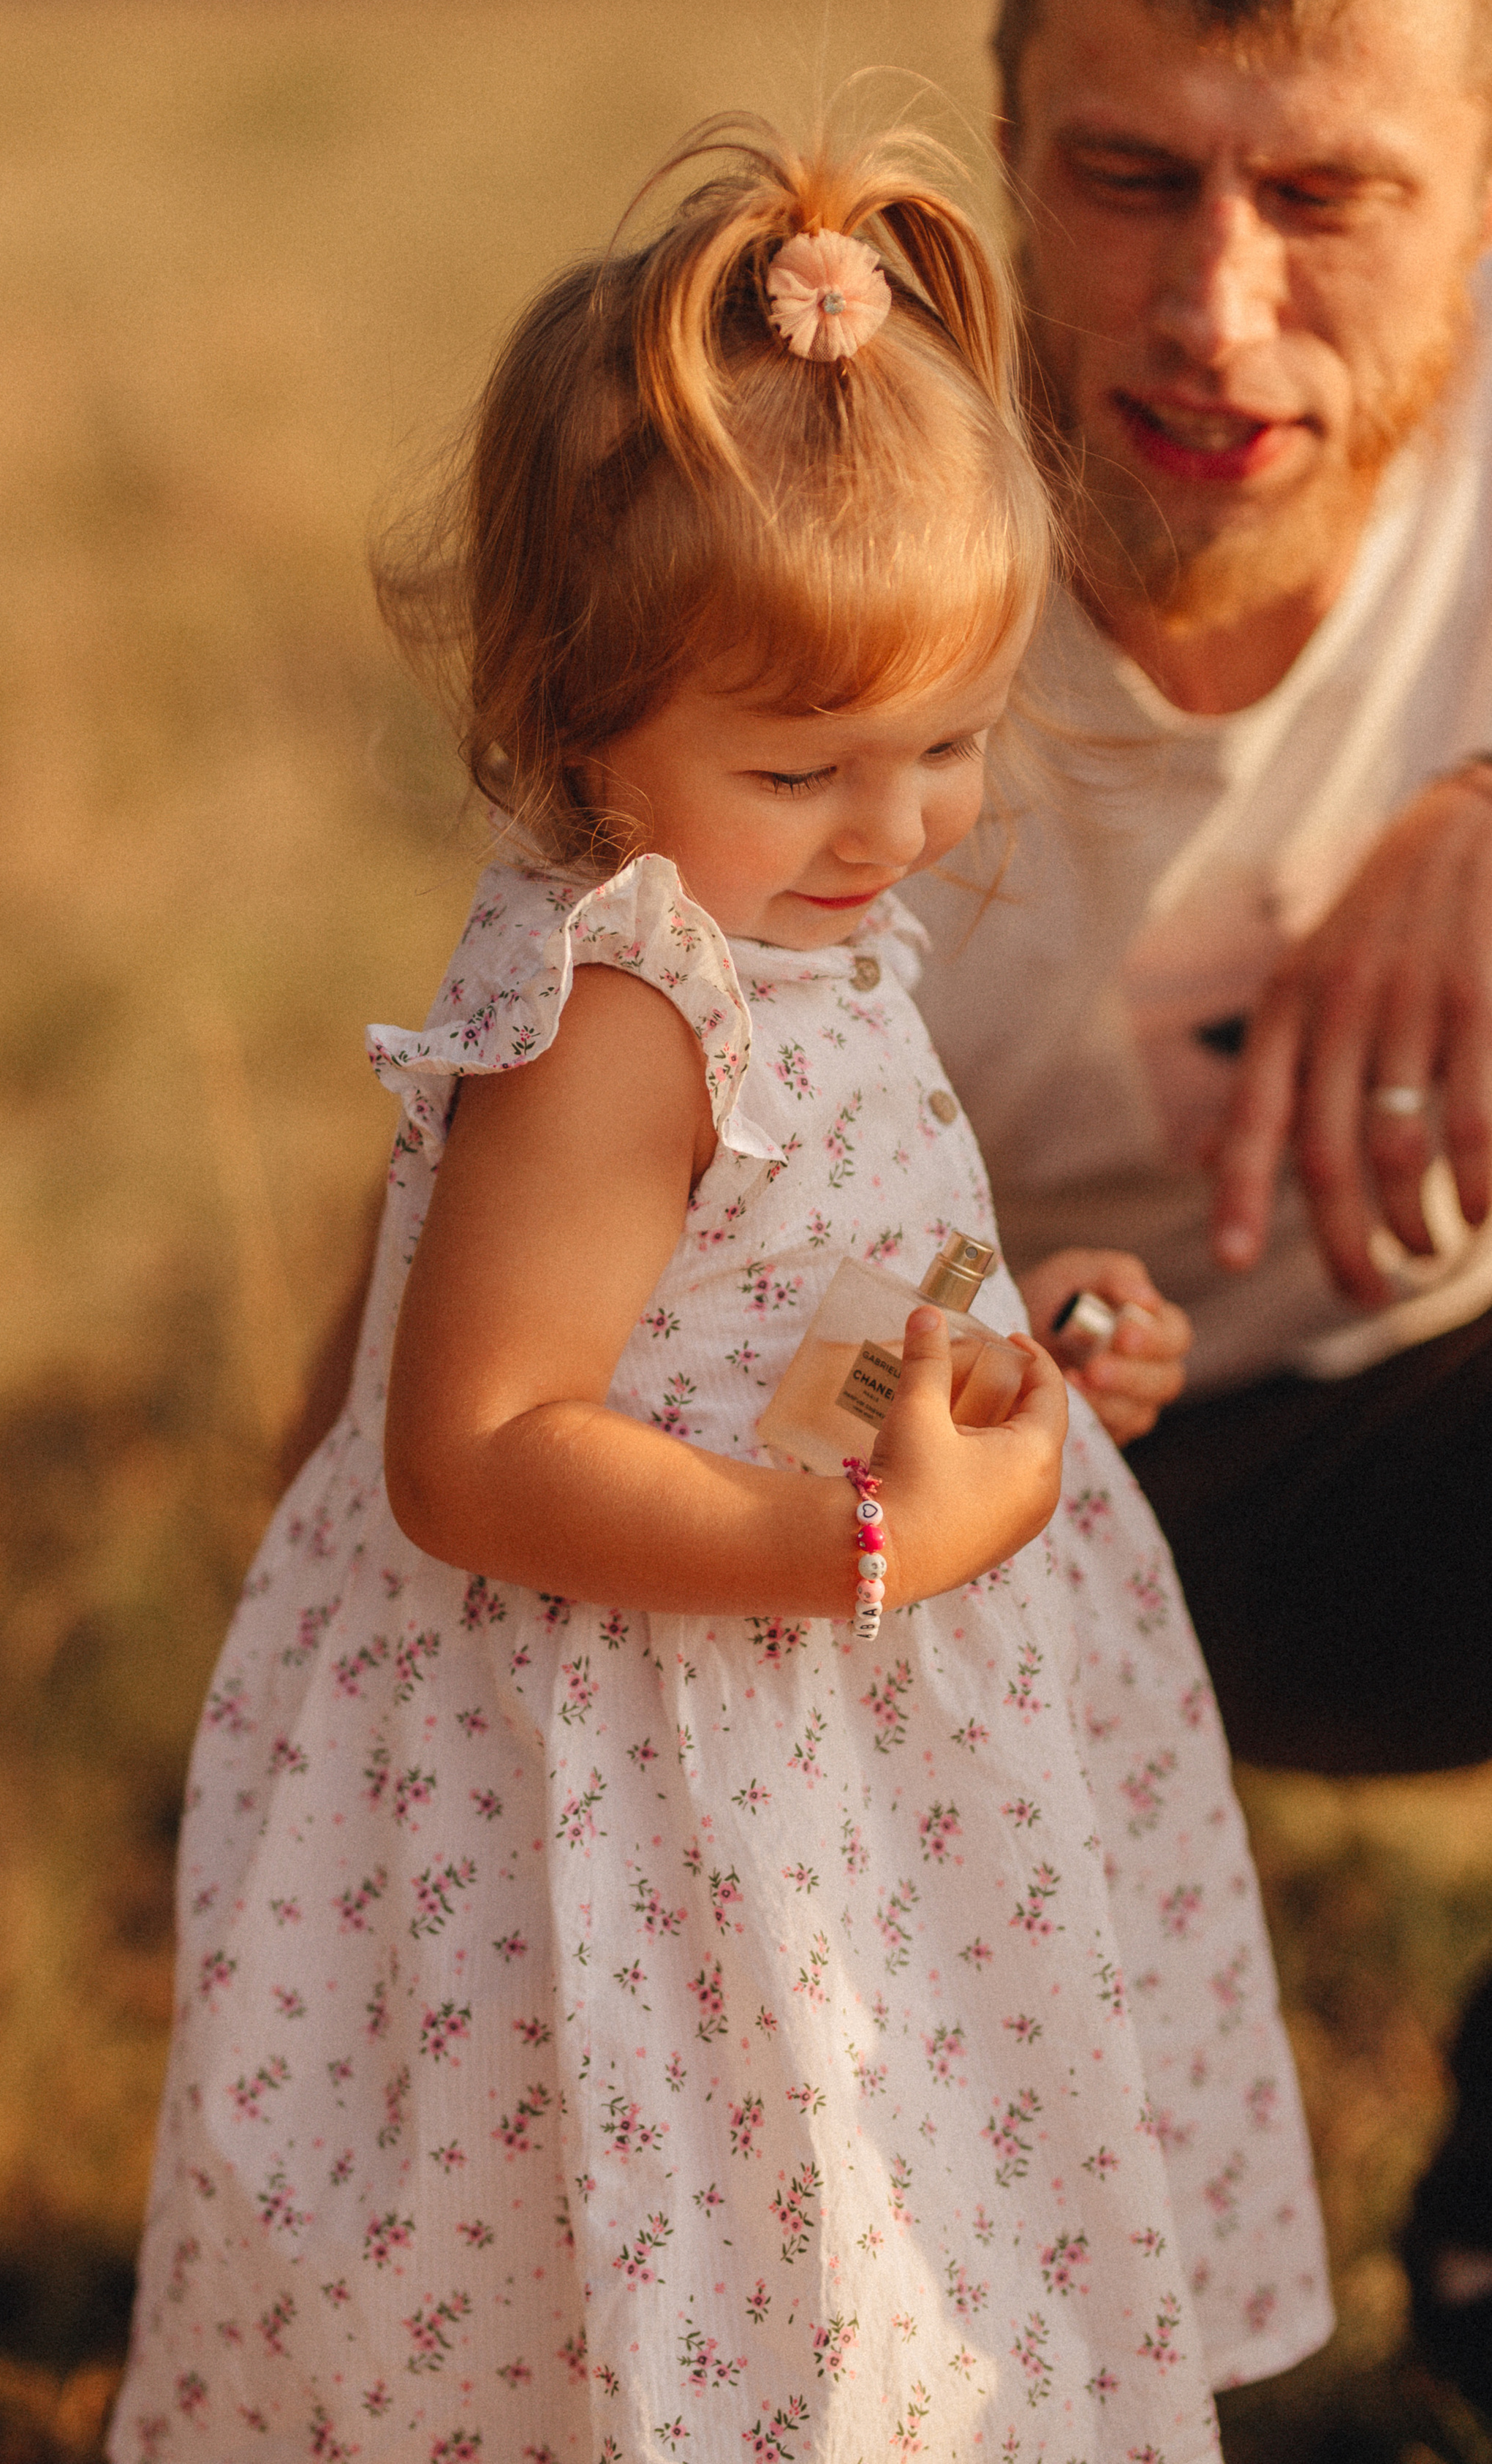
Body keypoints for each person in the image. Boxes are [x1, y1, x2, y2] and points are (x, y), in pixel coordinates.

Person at [109, 122, 1328, 2460]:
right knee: (688, 2273)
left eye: (952, 747)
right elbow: (468, 1454)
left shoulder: (779, 924)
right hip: (636, 1784)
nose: (892, 834)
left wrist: (1014, 1333)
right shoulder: (617, 1010)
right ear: (580, 715)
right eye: (803, 769)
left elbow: (791, 1281)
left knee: (880, 2238)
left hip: (796, 1755)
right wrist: (866, 1545)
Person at [907, 0, 1492, 1783]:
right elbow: (519, 1189)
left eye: (1327, 197)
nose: (1216, 313)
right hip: (939, 1499)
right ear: (1000, 145)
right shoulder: (825, 558)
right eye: (1133, 179)